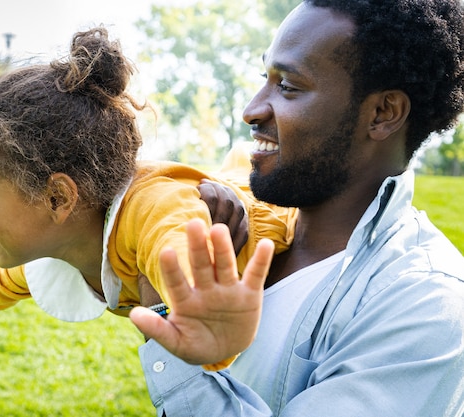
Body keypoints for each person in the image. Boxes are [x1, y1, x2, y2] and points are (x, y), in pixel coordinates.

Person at [0, 27, 295, 371]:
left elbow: (176, 242)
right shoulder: (57, 248)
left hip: (274, 209)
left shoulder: (151, 210)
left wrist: (185, 313)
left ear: (59, 197)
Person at [129, 0, 464, 415]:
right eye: (264, 78)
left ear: (382, 113)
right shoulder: (233, 234)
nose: (251, 109)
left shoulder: (426, 303)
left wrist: (179, 362)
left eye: (287, 86)